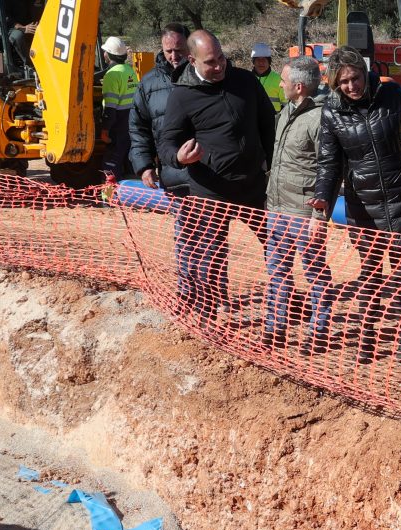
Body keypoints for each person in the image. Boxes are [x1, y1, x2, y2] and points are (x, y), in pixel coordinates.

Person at [157, 30, 276, 323]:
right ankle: (208, 314)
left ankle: (285, 305)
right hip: (210, 190)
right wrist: (178, 158)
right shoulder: (183, 96)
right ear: (191, 60)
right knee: (210, 257)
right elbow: (166, 142)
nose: (220, 66)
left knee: (276, 247)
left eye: (221, 58)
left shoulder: (246, 82)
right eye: (211, 62)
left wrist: (271, 166)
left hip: (252, 185)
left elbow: (268, 125)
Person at [311, 46, 401, 366]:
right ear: (334, 84)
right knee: (369, 275)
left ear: (364, 72)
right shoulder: (331, 111)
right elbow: (329, 164)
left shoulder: (393, 95)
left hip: (400, 199)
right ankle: (367, 336)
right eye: (343, 82)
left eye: (355, 78)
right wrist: (321, 206)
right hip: (362, 204)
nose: (351, 86)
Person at [263, 56, 333, 356]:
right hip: (276, 209)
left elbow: (327, 170)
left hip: (304, 213)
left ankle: (319, 331)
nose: (279, 84)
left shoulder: (319, 119)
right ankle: (276, 327)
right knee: (276, 271)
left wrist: (319, 215)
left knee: (316, 274)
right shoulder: (286, 112)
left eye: (283, 80)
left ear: (299, 86)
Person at [130, 23, 191, 193]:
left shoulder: (206, 76)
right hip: (173, 178)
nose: (174, 56)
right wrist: (144, 165)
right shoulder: (148, 83)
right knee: (182, 220)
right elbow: (138, 127)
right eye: (168, 51)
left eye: (179, 50)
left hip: (209, 178)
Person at [100, 36, 139, 180]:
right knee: (128, 161)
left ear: (108, 54)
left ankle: (110, 198)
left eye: (105, 51)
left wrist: (105, 129)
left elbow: (110, 107)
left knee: (111, 163)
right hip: (131, 121)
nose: (103, 54)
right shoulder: (129, 70)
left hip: (117, 124)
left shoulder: (111, 75)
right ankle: (131, 196)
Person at [2, 0, 44, 71]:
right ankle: (31, 66)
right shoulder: (6, 2)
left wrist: (39, 24)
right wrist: (22, 28)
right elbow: (5, 16)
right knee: (18, 36)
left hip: (30, 26)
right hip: (9, 27)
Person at [252, 42, 286, 113]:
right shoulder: (247, 78)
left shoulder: (278, 79)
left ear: (269, 61)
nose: (261, 63)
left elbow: (286, 104)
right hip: (252, 121)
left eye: (264, 60)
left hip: (274, 121)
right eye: (258, 59)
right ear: (253, 62)